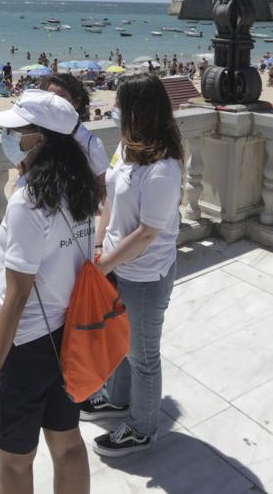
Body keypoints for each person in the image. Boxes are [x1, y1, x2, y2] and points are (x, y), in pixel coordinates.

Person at [0, 90, 99, 493]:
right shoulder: (81, 190)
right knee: (68, 443)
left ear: (40, 139)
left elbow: (17, 296)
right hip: (67, 336)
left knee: (15, 462)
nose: (8, 138)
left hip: (23, 349)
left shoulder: (30, 200)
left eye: (16, 131)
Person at [81, 73, 184, 457]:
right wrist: (97, 242)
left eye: (121, 103)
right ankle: (117, 399)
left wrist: (102, 265)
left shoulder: (164, 168)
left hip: (144, 275)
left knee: (143, 355)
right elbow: (109, 197)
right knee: (121, 342)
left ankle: (142, 427)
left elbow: (146, 234)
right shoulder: (127, 147)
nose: (115, 109)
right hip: (115, 264)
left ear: (139, 111)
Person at [46, 73, 108, 203]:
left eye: (60, 97)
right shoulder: (42, 135)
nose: (52, 102)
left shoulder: (91, 144)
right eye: (48, 96)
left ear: (76, 102)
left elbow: (104, 191)